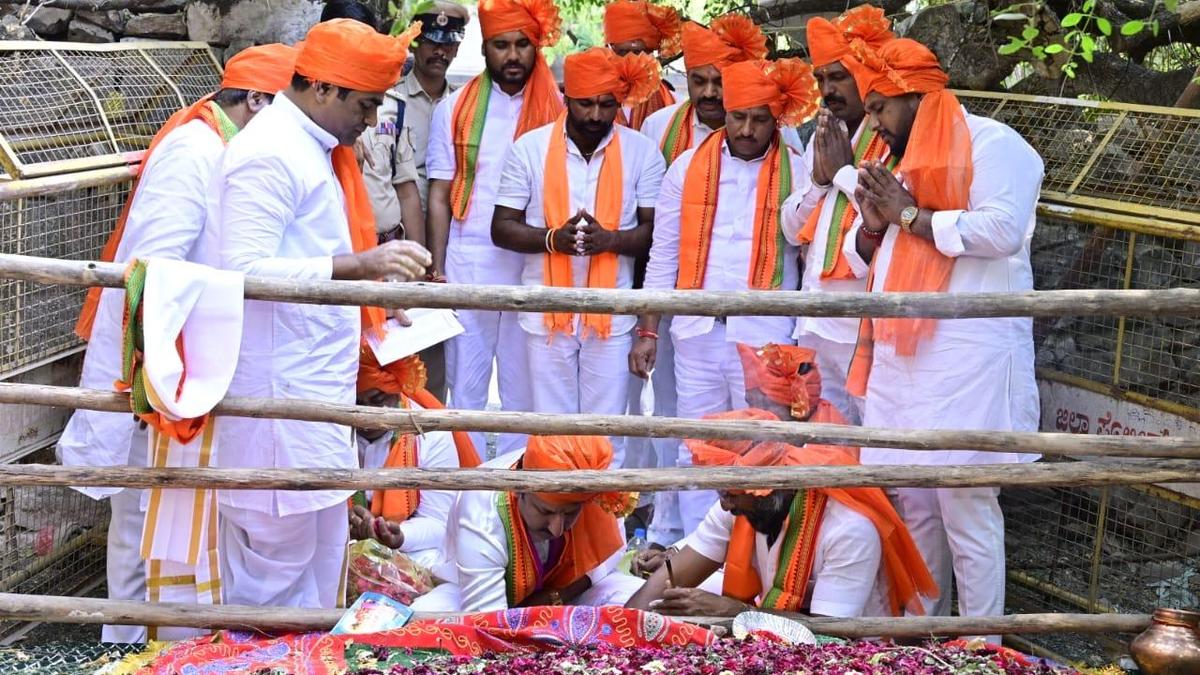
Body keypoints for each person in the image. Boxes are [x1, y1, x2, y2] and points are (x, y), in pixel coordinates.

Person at [57, 44, 297, 643]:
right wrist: (157, 374)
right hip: (156, 366)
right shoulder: (195, 151)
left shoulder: (223, 146)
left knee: (164, 514)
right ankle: (127, 645)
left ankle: (160, 640)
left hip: (183, 363)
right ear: (258, 100)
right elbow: (153, 269)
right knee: (141, 512)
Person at [202, 19, 431, 610]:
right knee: (274, 588)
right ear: (324, 89)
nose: (373, 119)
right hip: (280, 415)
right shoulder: (271, 153)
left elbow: (304, 259)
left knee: (316, 579)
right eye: (367, 103)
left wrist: (369, 282)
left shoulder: (306, 147)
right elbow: (245, 271)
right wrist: (359, 265)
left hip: (311, 405)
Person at [841, 37, 1043, 638]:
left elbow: (1002, 230)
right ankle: (923, 640)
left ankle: (981, 647)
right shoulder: (897, 159)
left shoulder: (995, 144)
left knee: (966, 506)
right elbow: (861, 252)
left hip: (970, 358)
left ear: (918, 97)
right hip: (904, 359)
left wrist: (909, 216)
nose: (871, 121)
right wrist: (877, 229)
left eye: (879, 107)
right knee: (919, 506)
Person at [631, 58, 818, 538]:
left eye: (760, 119)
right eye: (739, 117)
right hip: (697, 334)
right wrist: (649, 329)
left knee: (762, 451)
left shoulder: (800, 174)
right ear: (725, 113)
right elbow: (664, 256)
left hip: (767, 340)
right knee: (698, 447)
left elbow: (810, 262)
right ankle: (699, 558)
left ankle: (751, 564)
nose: (749, 129)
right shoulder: (687, 167)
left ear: (776, 118)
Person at [491, 48, 666, 468]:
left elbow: (654, 234)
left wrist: (610, 240)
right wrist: (554, 239)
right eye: (586, 104)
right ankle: (556, 528)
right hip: (547, 313)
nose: (596, 115)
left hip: (612, 315)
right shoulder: (529, 151)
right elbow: (501, 227)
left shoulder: (642, 152)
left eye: (607, 105)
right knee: (553, 430)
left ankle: (608, 531)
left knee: (605, 434)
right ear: (567, 96)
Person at [624, 403, 937, 619]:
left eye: (731, 494)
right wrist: (616, 633)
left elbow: (832, 639)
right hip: (766, 636)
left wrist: (735, 615)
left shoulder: (848, 528)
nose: (724, 503)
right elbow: (667, 580)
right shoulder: (740, 506)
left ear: (768, 487)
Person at [426, 0, 563, 454]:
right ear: (484, 49)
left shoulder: (560, 109)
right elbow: (440, 194)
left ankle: (517, 495)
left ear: (536, 47)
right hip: (471, 265)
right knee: (466, 388)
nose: (512, 56)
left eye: (522, 44)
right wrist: (438, 267)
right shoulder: (453, 109)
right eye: (501, 45)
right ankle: (464, 493)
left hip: (535, 265)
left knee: (525, 395)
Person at [778, 6, 895, 425]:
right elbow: (792, 228)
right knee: (822, 445)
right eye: (821, 79)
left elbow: (887, 215)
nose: (828, 90)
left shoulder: (893, 139)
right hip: (815, 323)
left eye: (839, 77)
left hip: (861, 332)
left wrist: (842, 172)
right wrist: (822, 181)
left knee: (871, 449)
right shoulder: (825, 136)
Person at [412, 435, 641, 612]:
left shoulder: (589, 479)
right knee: (428, 614)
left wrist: (559, 595)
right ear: (519, 489)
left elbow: (609, 554)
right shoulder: (482, 511)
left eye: (570, 513)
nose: (557, 528)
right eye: (545, 511)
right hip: (470, 592)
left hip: (567, 592)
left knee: (632, 595)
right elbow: (488, 618)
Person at [383, 0, 471, 401]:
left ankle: (427, 444)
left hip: (457, 239)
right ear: (415, 44)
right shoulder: (390, 102)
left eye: (449, 43)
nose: (441, 51)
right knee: (392, 344)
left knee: (438, 352)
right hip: (399, 240)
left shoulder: (466, 106)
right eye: (433, 42)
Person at [350, 348, 480, 569]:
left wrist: (398, 536)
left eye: (377, 400)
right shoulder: (329, 432)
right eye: (358, 404)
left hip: (410, 548)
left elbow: (439, 523)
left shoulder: (431, 435)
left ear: (397, 392)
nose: (367, 415)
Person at [639, 14, 766, 166]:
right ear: (687, 78)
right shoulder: (657, 126)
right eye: (699, 82)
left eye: (720, 82)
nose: (709, 93)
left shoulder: (766, 125)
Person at [602, 0, 681, 130]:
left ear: (650, 54)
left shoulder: (674, 105)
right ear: (609, 49)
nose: (630, 60)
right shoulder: (592, 102)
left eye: (638, 52)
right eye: (622, 52)